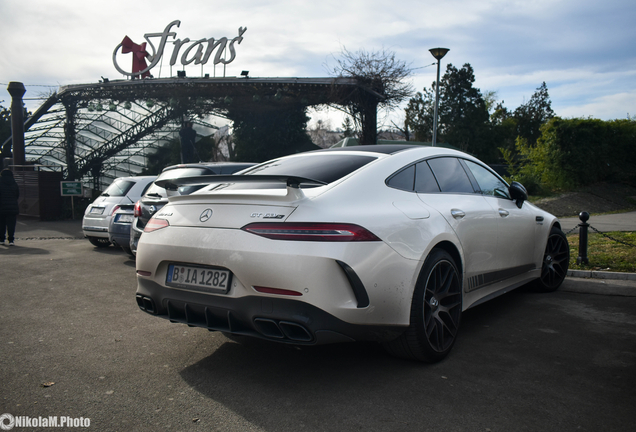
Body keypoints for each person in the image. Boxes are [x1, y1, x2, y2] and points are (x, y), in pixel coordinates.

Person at [0, 169, 20, 246]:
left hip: (1, 207)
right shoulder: (14, 184)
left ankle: (2, 239)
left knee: (1, 224)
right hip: (12, 207)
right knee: (11, 225)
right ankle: (11, 240)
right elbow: (17, 195)